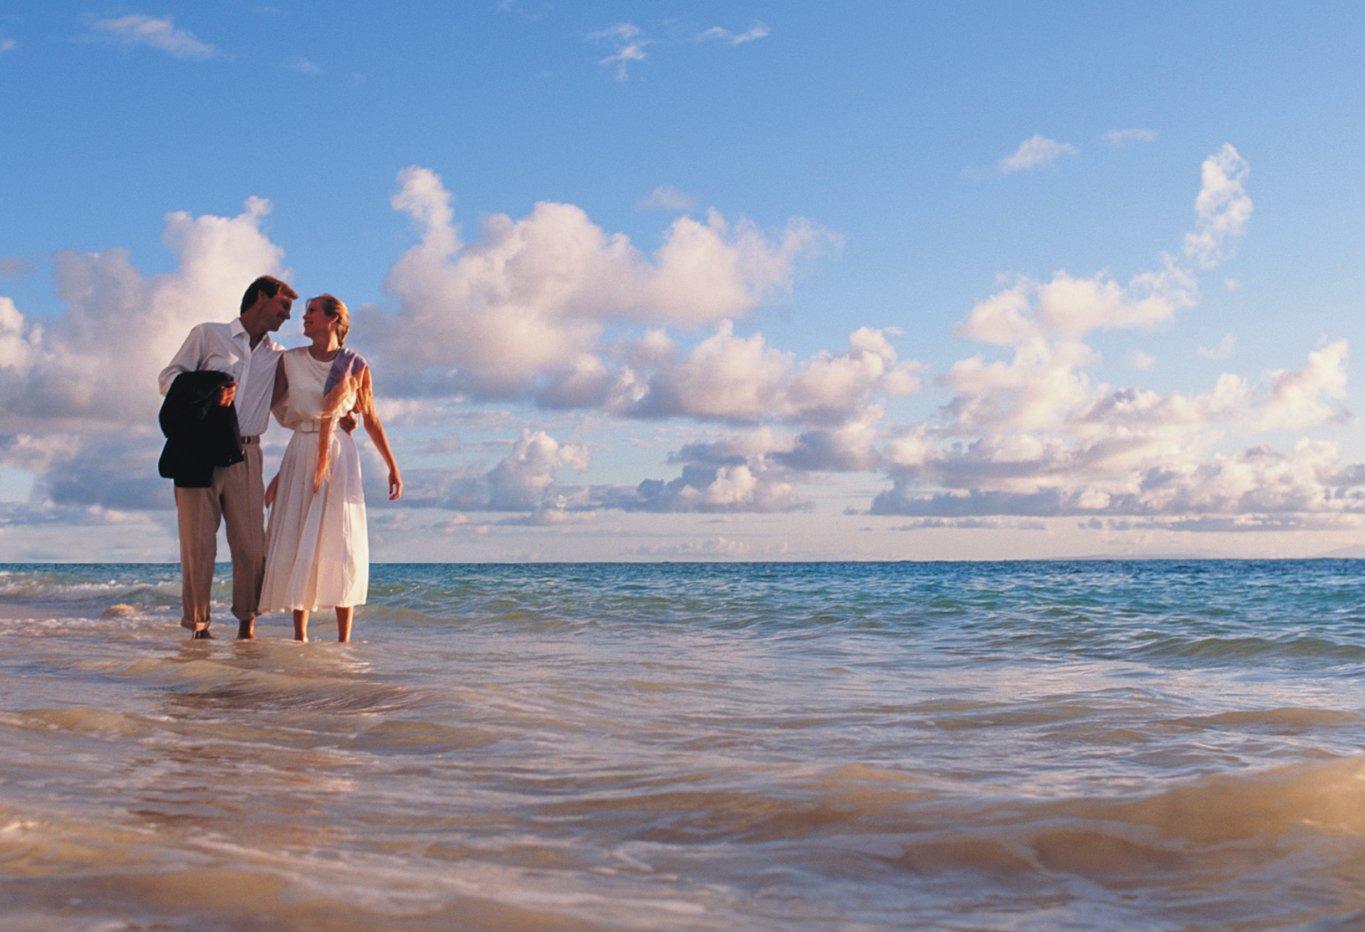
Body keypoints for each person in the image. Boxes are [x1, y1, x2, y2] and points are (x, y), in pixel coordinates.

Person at [158, 275, 296, 639]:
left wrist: (332, 418)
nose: (287, 315)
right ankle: (198, 629)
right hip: (198, 447)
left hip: (246, 451)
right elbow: (168, 378)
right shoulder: (208, 334)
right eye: (283, 305)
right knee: (198, 545)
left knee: (252, 547)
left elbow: (284, 410)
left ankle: (246, 625)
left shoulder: (278, 356)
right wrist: (209, 390)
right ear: (261, 297)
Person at [258, 294, 401, 643]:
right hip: (300, 449)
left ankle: (344, 642)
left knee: (341, 541)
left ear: (333, 319)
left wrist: (392, 468)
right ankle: (299, 637)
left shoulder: (355, 364)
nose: (303, 318)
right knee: (296, 533)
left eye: (311, 312)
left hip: (339, 455)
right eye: (305, 312)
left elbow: (371, 419)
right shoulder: (289, 361)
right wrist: (279, 473)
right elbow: (271, 404)